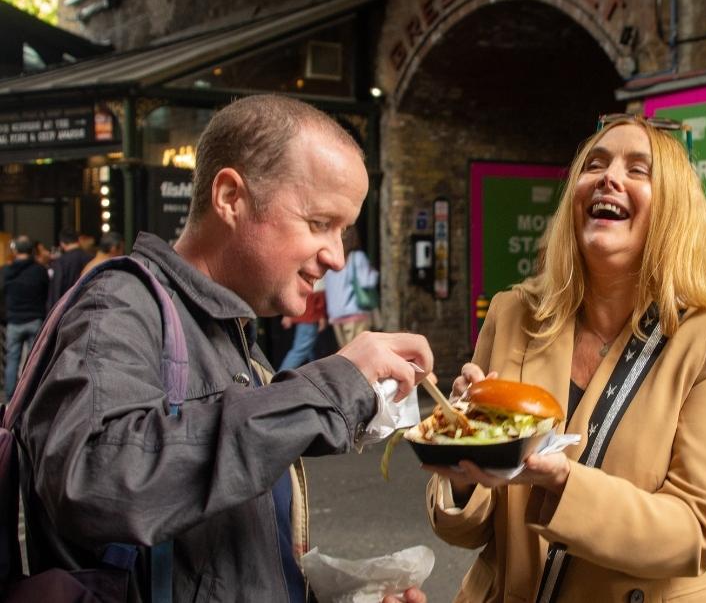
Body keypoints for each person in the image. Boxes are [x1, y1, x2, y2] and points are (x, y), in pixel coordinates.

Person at [15, 95, 427, 603]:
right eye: (320, 222)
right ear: (231, 196)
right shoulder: (118, 308)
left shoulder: (236, 342)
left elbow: (221, 567)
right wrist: (333, 386)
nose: (337, 257)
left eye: (344, 230)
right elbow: (92, 481)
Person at [424, 115, 706, 602]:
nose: (608, 177)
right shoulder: (513, 312)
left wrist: (563, 482)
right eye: (594, 164)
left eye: (638, 170)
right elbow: (468, 531)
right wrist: (462, 465)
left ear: (673, 210)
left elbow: (694, 532)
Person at [2, 235, 48, 401]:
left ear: (15, 250)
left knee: (12, 359)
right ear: (32, 250)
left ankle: (9, 398)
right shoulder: (40, 270)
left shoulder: (7, 271)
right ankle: (30, 396)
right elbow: (45, 293)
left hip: (14, 321)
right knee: (34, 361)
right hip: (35, 319)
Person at [323, 226, 380, 347]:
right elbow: (366, 282)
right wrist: (374, 273)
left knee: (346, 357)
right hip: (354, 313)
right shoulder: (356, 257)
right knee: (361, 355)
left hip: (335, 315)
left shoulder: (329, 258)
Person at [277, 277, 328, 371]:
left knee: (310, 351)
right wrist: (321, 316)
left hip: (305, 316)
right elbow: (317, 293)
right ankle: (278, 377)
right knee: (300, 349)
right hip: (310, 317)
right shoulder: (317, 276)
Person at [45, 227, 93, 312]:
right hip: (86, 308)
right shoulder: (90, 259)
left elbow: (57, 288)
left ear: (62, 243)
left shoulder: (60, 262)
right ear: (78, 240)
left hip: (66, 310)